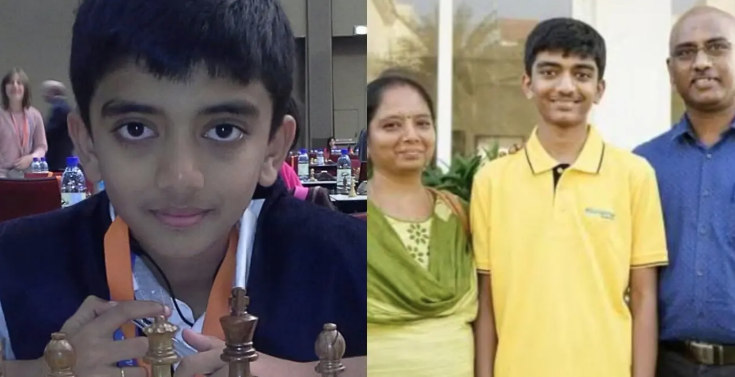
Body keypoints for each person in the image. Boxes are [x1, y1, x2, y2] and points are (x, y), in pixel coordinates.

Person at [0, 1, 366, 376]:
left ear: (273, 148)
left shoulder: (357, 260)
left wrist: (306, 373)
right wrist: (42, 370)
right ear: (88, 145)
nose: (179, 178)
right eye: (135, 128)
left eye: (224, 130)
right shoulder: (13, 262)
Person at [470, 18, 668, 377]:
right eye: (550, 71)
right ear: (527, 84)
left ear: (600, 88)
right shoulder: (491, 181)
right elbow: (487, 304)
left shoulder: (635, 176)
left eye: (581, 73)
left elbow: (643, 298)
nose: (565, 86)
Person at [634, 6, 735, 376]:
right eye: (686, 52)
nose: (701, 62)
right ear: (670, 69)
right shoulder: (642, 165)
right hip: (668, 363)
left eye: (717, 48)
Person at [366, 74, 484, 377]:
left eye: (422, 123)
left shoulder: (461, 216)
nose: (411, 135)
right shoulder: (350, 226)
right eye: (392, 125)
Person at [0, 68, 47, 178]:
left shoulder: (35, 115)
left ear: (25, 88)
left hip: (27, 174)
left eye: (19, 83)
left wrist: (31, 157)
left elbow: (41, 147)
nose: (15, 86)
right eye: (11, 83)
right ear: (4, 88)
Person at [41, 80, 73, 172]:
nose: (44, 95)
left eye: (46, 92)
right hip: (61, 156)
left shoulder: (59, 109)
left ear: (53, 92)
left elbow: (49, 131)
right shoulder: (63, 107)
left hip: (57, 157)